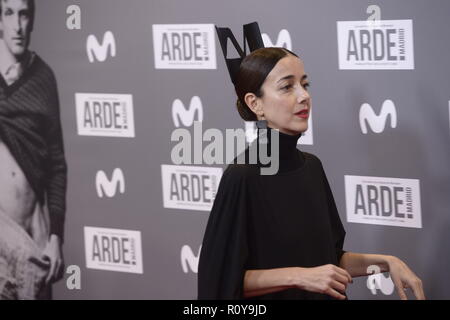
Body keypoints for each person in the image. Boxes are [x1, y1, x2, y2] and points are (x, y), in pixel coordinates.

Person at [197, 22, 425, 300]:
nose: (304, 96)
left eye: (305, 84)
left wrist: (388, 262)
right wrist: (300, 275)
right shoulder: (242, 176)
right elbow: (218, 280)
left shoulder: (311, 166)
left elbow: (330, 261)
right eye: (287, 87)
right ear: (255, 104)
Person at [0, 0, 67, 299]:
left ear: (32, 20)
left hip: (36, 243)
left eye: (24, 14)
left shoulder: (43, 77)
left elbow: (56, 164)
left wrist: (56, 237)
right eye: (9, 13)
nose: (17, 25)